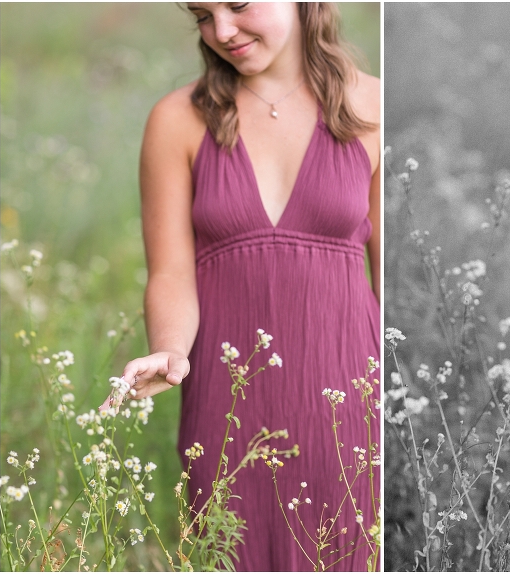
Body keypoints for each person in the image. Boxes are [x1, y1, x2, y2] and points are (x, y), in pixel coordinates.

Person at [105, 3, 380, 571]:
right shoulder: (176, 119)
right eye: (203, 15)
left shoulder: (375, 105)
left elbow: (391, 272)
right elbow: (171, 272)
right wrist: (171, 351)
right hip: (225, 405)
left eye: (237, 4)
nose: (221, 31)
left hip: (349, 399)